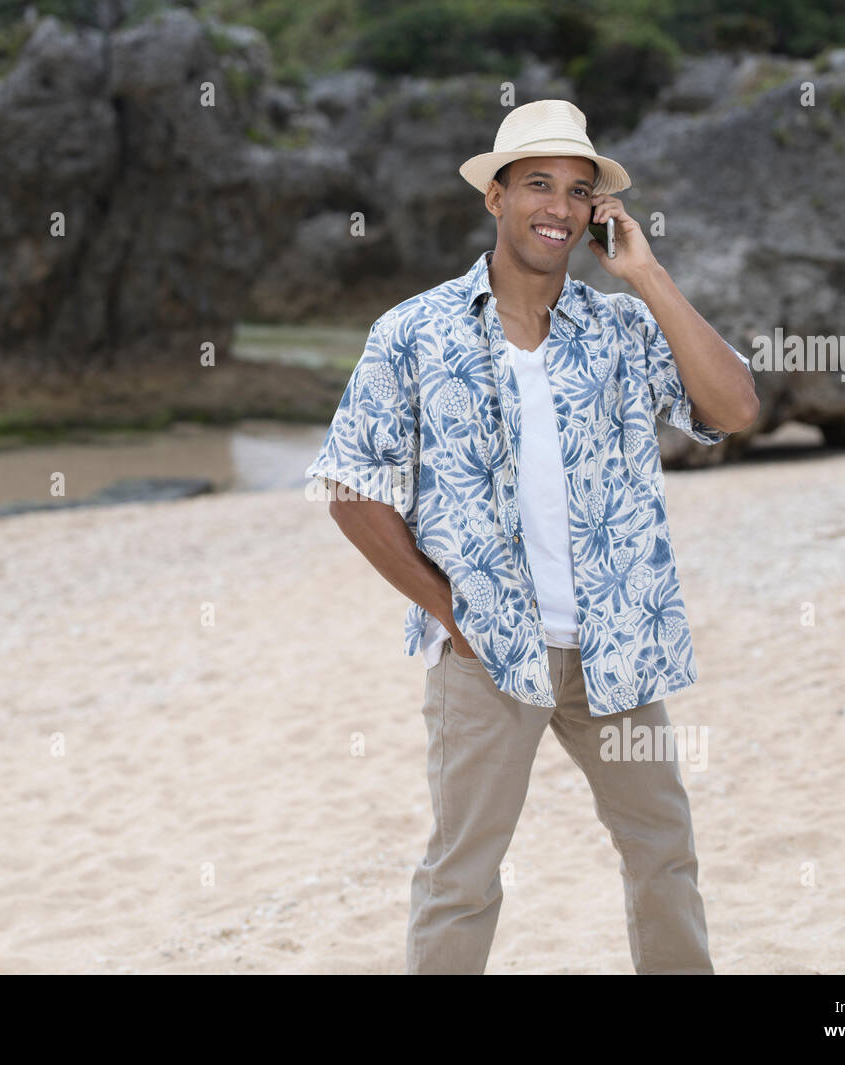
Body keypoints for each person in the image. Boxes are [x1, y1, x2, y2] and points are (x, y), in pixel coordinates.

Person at [304, 99, 759, 974]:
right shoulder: (413, 333)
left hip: (616, 649)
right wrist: (450, 611)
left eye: (579, 191)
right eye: (539, 185)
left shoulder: (621, 329)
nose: (559, 206)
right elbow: (350, 487)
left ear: (598, 213)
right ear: (497, 198)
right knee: (462, 876)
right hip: (485, 657)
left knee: (664, 855)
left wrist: (650, 278)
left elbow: (734, 407)